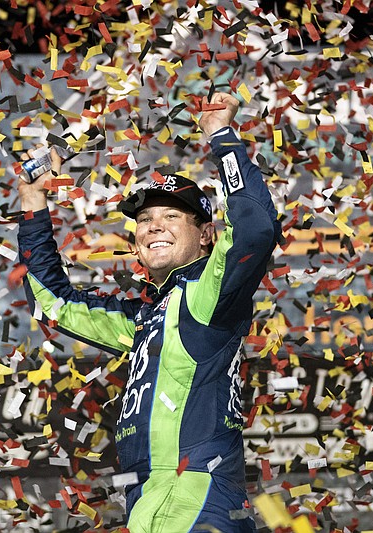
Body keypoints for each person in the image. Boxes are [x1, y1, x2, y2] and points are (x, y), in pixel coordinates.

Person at [17, 93, 282, 532]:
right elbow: (54, 302)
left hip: (198, 496)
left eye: (173, 216)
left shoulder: (208, 292)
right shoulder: (141, 318)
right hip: (144, 504)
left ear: (206, 236)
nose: (154, 225)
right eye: (145, 220)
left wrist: (220, 134)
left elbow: (255, 227)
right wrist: (32, 200)